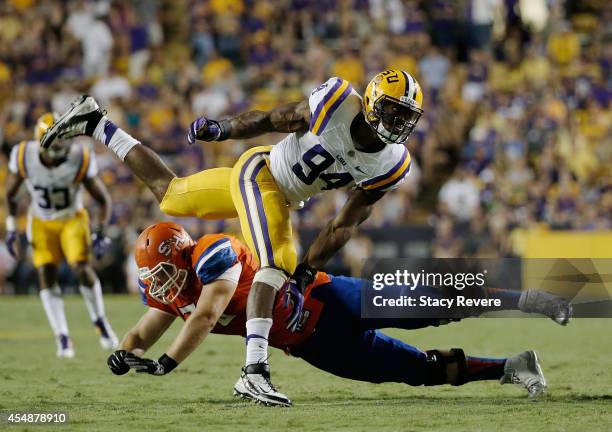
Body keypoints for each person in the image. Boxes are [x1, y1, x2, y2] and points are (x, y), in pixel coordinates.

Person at [41, 69, 424, 404]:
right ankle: (254, 370)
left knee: (172, 196)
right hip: (261, 173)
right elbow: (275, 118)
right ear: (372, 100)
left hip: (278, 194)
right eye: (393, 110)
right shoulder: (338, 102)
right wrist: (223, 129)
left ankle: (96, 123)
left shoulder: (392, 163)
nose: (397, 122)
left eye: (406, 116)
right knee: (276, 265)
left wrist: (311, 268)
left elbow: (344, 224)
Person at [106, 222, 572, 405]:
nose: (160, 282)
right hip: (314, 346)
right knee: (417, 371)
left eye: (163, 270)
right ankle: (512, 368)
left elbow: (205, 318)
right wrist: (125, 355)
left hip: (332, 298)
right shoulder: (171, 292)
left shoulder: (213, 253)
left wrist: (167, 364)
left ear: (182, 254)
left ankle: (525, 299)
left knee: (434, 304)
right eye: (154, 274)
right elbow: (144, 331)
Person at [5, 113, 118, 357]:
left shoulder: (80, 157)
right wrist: (12, 227)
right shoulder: (25, 155)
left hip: (72, 218)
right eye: (58, 139)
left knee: (81, 267)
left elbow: (103, 199)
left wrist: (100, 232)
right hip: (42, 220)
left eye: (65, 138)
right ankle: (62, 336)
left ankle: (100, 321)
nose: (63, 144)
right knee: (46, 271)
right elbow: (10, 194)